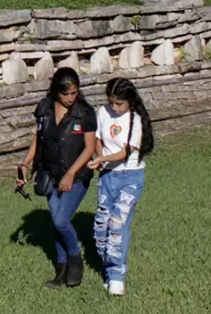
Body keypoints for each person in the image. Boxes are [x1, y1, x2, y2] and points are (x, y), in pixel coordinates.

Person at [17, 67, 97, 289]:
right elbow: (38, 139)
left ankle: (75, 259)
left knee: (61, 220)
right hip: (50, 174)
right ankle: (61, 271)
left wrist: (71, 173)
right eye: (66, 94)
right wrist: (25, 163)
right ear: (56, 92)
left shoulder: (86, 113)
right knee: (56, 223)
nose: (71, 98)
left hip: (78, 176)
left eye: (74, 93)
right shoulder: (44, 109)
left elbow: (89, 148)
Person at [87, 77, 155, 297]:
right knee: (101, 227)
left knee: (118, 224)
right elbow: (98, 138)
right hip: (108, 176)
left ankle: (117, 276)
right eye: (112, 102)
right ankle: (108, 268)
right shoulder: (103, 112)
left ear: (130, 101)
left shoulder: (135, 120)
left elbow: (126, 152)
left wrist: (101, 160)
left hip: (130, 176)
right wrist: (100, 158)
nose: (115, 108)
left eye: (120, 104)